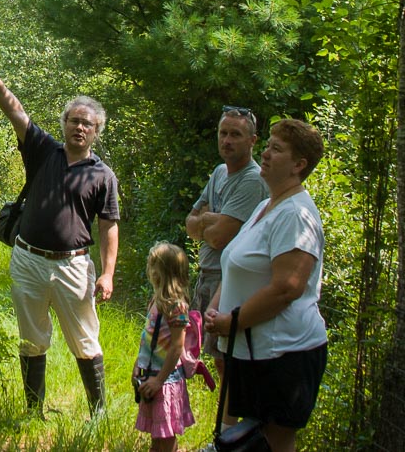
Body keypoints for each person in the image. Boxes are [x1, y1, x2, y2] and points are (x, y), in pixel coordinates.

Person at [0, 49, 119, 418]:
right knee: (31, 339)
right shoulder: (43, 150)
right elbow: (16, 112)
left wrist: (108, 272)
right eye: (74, 120)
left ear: (96, 131)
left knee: (85, 341)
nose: (79, 127)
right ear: (65, 122)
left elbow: (108, 224)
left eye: (87, 123)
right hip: (28, 260)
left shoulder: (103, 176)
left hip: (73, 267)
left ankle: (97, 414)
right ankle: (33, 413)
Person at [204, 118, 327, 452]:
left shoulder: (297, 214)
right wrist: (216, 308)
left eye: (277, 149)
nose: (267, 154)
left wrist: (232, 320)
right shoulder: (265, 206)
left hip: (285, 352)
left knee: (272, 442)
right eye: (268, 146)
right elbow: (233, 265)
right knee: (244, 439)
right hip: (251, 349)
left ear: (299, 165)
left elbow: (287, 287)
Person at [184, 105, 268, 435]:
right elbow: (191, 224)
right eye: (223, 133)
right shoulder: (220, 172)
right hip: (206, 273)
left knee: (229, 359)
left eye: (236, 134)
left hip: (228, 279)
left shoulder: (252, 181)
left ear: (252, 141)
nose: (227, 140)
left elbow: (218, 236)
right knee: (217, 358)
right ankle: (230, 430)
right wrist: (208, 221)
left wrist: (207, 221)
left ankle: (231, 432)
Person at [133, 242, 196, 452]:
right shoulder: (156, 301)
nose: (149, 270)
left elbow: (176, 347)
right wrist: (138, 364)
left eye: (153, 265)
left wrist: (159, 380)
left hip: (166, 380)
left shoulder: (176, 305)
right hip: (151, 374)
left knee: (166, 437)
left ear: (162, 272)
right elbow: (148, 339)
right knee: (157, 435)